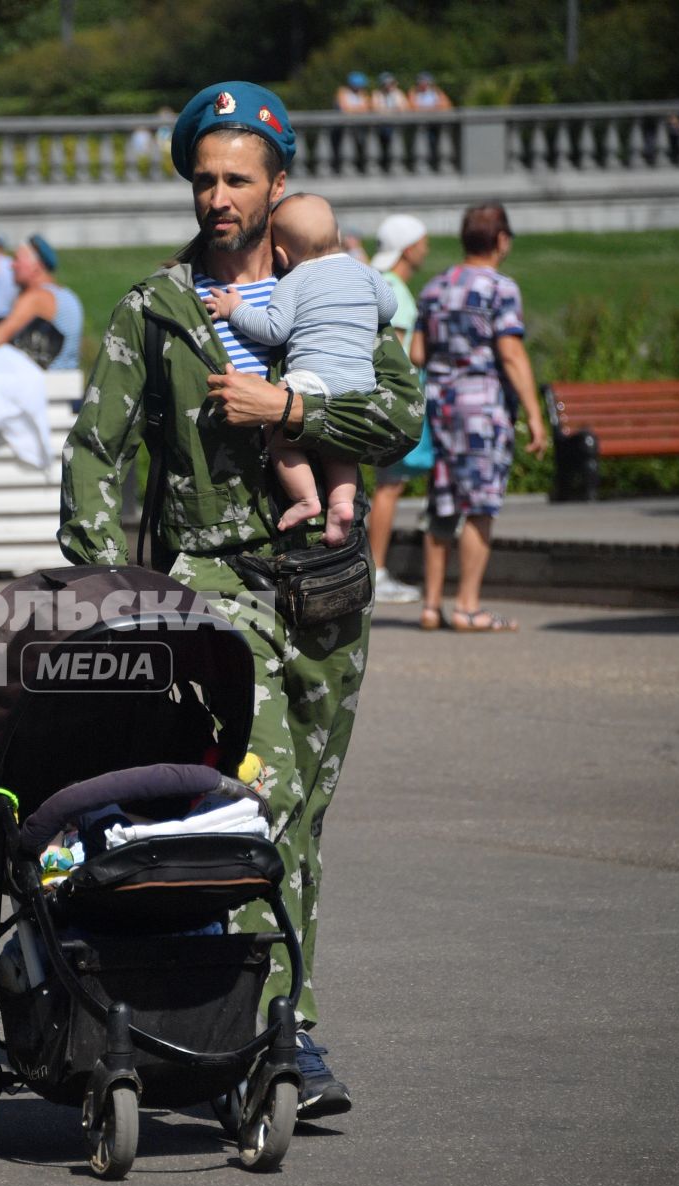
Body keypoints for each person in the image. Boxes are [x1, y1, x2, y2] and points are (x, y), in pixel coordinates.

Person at [59, 81, 425, 1118]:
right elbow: (98, 454)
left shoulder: (339, 286)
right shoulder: (158, 310)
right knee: (250, 799)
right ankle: (263, 1036)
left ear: (277, 184)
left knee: (303, 810)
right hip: (212, 583)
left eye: (237, 178)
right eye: (204, 178)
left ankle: (276, 1027)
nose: (217, 195)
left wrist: (293, 405)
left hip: (326, 583)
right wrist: (102, 589)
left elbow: (400, 416)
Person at [204, 193, 397, 546]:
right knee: (340, 446)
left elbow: (273, 329)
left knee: (275, 430)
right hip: (359, 383)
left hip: (312, 379)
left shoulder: (292, 282)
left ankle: (306, 498)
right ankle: (341, 504)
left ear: (280, 255)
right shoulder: (365, 272)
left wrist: (235, 309)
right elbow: (388, 309)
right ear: (337, 234)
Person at [412, 203, 549, 632]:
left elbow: (417, 352)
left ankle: (432, 606)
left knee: (443, 502)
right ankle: (468, 606)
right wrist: (534, 413)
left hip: (441, 404)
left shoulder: (434, 287)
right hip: (482, 407)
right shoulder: (499, 288)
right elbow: (510, 352)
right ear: (502, 240)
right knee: (480, 505)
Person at [365, 213, 433, 604]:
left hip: (379, 398)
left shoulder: (379, 281)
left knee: (388, 485)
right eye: (422, 242)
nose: (426, 249)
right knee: (391, 486)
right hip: (396, 400)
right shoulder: (398, 292)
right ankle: (378, 570)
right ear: (409, 248)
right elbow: (401, 356)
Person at [0, 235, 83, 373]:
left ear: (36, 266)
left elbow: (0, 335)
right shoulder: (68, 296)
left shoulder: (36, 298)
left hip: (48, 388)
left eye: (17, 259)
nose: (12, 265)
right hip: (68, 383)